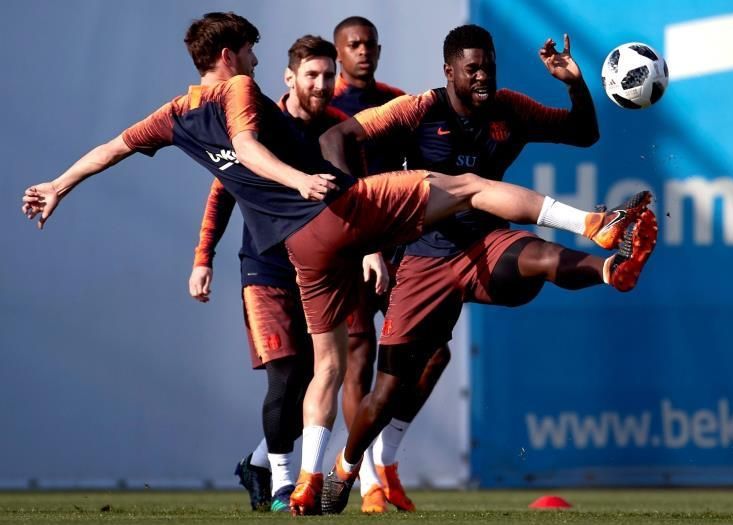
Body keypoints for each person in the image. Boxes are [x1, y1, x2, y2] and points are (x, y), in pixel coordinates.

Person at [21, 12, 654, 516]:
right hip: (335, 216)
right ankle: (592, 224)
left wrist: (57, 185)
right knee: (464, 187)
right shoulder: (238, 88)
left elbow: (112, 147)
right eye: (251, 53)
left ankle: (307, 483)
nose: (256, 64)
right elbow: (248, 146)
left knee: (325, 366)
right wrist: (299, 181)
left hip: (301, 251)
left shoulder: (172, 114)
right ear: (228, 57)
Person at [317, 24, 658, 514]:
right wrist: (357, 205)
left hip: (488, 244)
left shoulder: (510, 109)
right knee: (388, 388)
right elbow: (335, 137)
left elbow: (584, 134)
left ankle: (610, 268)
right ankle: (347, 467)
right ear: (449, 71)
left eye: (489, 67)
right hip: (426, 259)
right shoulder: (418, 109)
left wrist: (574, 84)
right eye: (473, 69)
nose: (483, 77)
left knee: (542, 255)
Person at [187, 35, 346, 513]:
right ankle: (282, 486)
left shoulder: (340, 130)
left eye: (328, 75)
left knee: (311, 381)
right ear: (290, 78)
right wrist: (203, 258)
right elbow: (222, 193)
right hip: (266, 267)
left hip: (319, 270)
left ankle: (257, 462)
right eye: (311, 75)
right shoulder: (255, 122)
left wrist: (371, 249)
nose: (320, 84)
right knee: (285, 374)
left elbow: (355, 192)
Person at [328, 15, 436, 513]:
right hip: (350, 248)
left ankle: (385, 458)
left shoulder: (398, 103)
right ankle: (367, 480)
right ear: (339, 52)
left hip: (399, 247)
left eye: (370, 44)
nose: (363, 51)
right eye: (353, 44)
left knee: (433, 353)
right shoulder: (324, 108)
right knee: (358, 357)